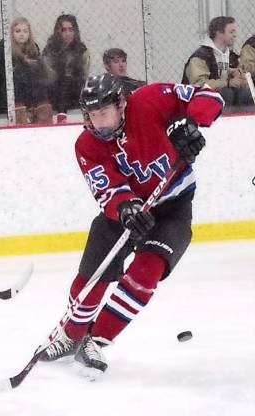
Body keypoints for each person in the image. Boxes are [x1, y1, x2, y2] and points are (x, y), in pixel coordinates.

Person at [38, 74, 224, 379]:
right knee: (93, 276)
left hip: (174, 208)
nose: (97, 123)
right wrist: (124, 207)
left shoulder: (152, 99)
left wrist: (191, 122)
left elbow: (210, 97)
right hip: (126, 213)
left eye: (104, 113)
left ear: (121, 103)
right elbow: (107, 188)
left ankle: (94, 340)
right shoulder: (87, 144)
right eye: (92, 115)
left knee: (147, 272)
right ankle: (70, 334)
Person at [0, 17, 53, 124]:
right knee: (20, 74)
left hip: (30, 92)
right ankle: (21, 119)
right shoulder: (4, 48)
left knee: (44, 104)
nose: (22, 34)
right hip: (6, 94)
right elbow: (1, 75)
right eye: (18, 31)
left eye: (25, 31)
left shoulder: (33, 48)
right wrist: (23, 61)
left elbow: (40, 73)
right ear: (12, 33)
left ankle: (43, 125)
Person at [182, 16, 252, 108]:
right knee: (226, 94)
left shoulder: (231, 56)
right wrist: (228, 83)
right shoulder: (201, 56)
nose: (235, 35)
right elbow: (199, 84)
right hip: (197, 102)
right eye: (231, 32)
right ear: (218, 33)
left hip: (222, 97)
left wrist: (240, 76)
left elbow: (242, 81)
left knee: (245, 95)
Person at [42, 13, 90, 114]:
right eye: (64, 30)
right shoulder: (50, 50)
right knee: (63, 84)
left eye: (71, 30)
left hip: (76, 90)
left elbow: (84, 76)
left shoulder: (82, 50)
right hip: (56, 92)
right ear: (58, 32)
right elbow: (49, 77)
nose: (67, 33)